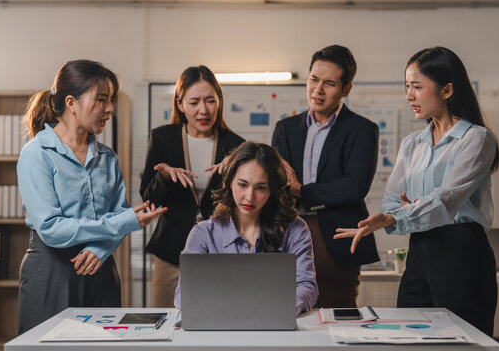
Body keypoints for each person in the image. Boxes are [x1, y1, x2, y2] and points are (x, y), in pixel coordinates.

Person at [334, 46, 499, 336]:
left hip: (462, 253)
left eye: (417, 87)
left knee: (462, 340)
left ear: (446, 90)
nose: (409, 95)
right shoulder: (413, 143)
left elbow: (447, 200)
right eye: (407, 86)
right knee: (410, 336)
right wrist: (407, 211)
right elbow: (390, 200)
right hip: (420, 251)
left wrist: (401, 214)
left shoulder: (477, 139)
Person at [17, 59, 167, 334]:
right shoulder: (36, 154)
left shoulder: (107, 157)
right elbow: (51, 228)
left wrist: (100, 250)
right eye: (101, 99)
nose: (110, 108)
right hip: (51, 270)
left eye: (111, 100)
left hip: (100, 268)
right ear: (71, 102)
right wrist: (123, 222)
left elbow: (119, 212)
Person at [272, 44, 379, 308]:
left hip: (337, 236)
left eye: (329, 83)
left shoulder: (362, 130)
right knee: (285, 313)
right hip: (288, 232)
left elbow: (353, 188)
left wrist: (300, 190)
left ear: (346, 89)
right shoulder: (285, 129)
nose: (318, 90)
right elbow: (277, 183)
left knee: (337, 316)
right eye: (313, 80)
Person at [140, 65, 244, 307]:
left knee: (216, 322)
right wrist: (164, 177)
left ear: (219, 101)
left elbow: (245, 204)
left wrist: (235, 172)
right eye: (194, 102)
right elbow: (148, 200)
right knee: (165, 325)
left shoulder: (236, 145)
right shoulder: (162, 138)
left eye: (210, 100)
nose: (203, 110)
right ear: (180, 104)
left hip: (220, 253)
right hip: (170, 252)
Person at [174, 142, 318, 315]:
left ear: (273, 190)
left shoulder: (295, 229)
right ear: (229, 182)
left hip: (275, 325)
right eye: (242, 185)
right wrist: (228, 309)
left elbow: (306, 286)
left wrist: (277, 310)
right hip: (218, 326)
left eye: (261, 188)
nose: (249, 197)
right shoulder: (203, 233)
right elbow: (183, 295)